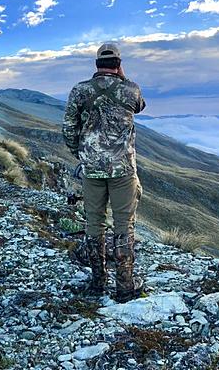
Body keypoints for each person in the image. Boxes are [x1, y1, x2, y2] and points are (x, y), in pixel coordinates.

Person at [62, 42, 146, 302]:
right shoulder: (130, 89)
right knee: (123, 226)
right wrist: (123, 78)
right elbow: (140, 106)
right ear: (118, 65)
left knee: (94, 224)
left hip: (92, 170)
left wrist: (83, 154)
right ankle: (125, 287)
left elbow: (68, 128)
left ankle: (98, 283)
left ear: (96, 64)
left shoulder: (80, 90)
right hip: (122, 169)